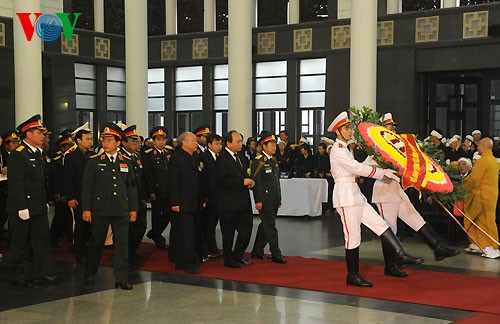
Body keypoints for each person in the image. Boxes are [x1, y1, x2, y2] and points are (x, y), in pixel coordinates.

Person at [328, 111, 423, 287]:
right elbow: (357, 168)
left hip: (355, 193)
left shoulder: (345, 149)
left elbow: (358, 168)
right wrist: (381, 172)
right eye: (346, 128)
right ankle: (353, 275)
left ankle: (400, 254)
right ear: (337, 131)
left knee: (381, 225)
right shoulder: (337, 150)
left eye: (350, 128)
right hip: (345, 195)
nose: (350, 131)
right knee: (352, 237)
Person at [370, 113, 460, 278]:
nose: (393, 129)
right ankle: (391, 265)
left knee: (416, 219)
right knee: (389, 228)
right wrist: (382, 171)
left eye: (393, 126)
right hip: (384, 191)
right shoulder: (376, 149)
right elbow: (365, 169)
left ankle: (438, 248)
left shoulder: (397, 147)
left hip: (397, 189)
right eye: (389, 126)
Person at [82, 123, 138, 290]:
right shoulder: (94, 161)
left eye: (109, 140)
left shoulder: (126, 161)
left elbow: (132, 186)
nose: (105, 143)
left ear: (118, 142)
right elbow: (87, 187)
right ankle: (90, 273)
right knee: (96, 241)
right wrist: (86, 209)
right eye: (104, 140)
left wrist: (133, 208)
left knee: (122, 244)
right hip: (101, 208)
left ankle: (121, 277)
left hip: (121, 208)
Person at [7, 115, 58, 287]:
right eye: (39, 133)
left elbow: (40, 182)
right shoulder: (18, 154)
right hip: (23, 207)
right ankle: (18, 274)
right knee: (20, 242)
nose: (43, 136)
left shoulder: (37, 154)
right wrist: (22, 206)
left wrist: (44, 201)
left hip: (38, 206)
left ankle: (42, 272)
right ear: (28, 134)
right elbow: (16, 184)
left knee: (41, 240)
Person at [216, 130, 255, 268]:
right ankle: (228, 258)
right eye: (237, 141)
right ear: (228, 143)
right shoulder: (221, 159)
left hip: (243, 201)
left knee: (246, 229)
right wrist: (241, 182)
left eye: (241, 141)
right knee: (228, 232)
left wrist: (249, 181)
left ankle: (239, 253)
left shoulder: (241, 157)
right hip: (228, 202)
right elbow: (222, 181)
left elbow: (244, 174)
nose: (240, 144)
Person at [169, 132, 204, 274]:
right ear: (184, 142)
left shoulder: (193, 157)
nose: (196, 143)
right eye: (194, 141)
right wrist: (174, 202)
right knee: (186, 233)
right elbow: (172, 182)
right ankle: (187, 262)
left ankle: (180, 257)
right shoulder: (177, 158)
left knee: (187, 232)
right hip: (182, 202)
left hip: (193, 202)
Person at [250, 131, 286, 263]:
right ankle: (276, 253)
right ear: (263, 146)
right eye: (271, 145)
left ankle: (257, 251)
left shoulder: (273, 161)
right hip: (264, 200)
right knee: (270, 226)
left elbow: (276, 182)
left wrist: (279, 198)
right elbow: (256, 183)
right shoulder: (259, 162)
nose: (274, 147)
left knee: (265, 225)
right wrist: (258, 200)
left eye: (275, 145)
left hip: (273, 199)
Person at [463, 137, 500, 259]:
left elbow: (474, 179)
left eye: (479, 145)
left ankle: (493, 247)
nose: (477, 147)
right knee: (479, 220)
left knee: (486, 221)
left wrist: (461, 185)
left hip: (483, 196)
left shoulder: (484, 161)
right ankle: (480, 244)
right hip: (490, 195)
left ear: (483, 147)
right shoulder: (494, 160)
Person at [64, 122, 93, 264]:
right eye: (87, 139)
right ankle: (78, 248)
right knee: (81, 224)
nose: (90, 142)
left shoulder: (92, 156)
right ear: (79, 140)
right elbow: (68, 179)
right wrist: (70, 197)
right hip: (78, 196)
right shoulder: (71, 156)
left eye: (91, 139)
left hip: (92, 197)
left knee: (90, 225)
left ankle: (84, 246)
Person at [120, 125, 148, 267]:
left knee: (141, 227)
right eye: (132, 141)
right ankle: (127, 255)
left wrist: (144, 197)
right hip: (127, 201)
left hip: (139, 199)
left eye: (137, 141)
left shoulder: (136, 156)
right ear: (123, 142)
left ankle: (132, 252)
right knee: (129, 230)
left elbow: (141, 179)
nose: (137, 144)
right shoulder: (120, 157)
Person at [143, 126, 171, 250]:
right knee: (156, 215)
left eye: (163, 139)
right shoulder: (148, 155)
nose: (161, 142)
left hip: (168, 191)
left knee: (167, 215)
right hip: (157, 191)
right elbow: (148, 175)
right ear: (153, 141)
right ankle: (158, 238)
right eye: (158, 139)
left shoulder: (169, 153)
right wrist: (151, 192)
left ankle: (154, 233)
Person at [49, 130, 74, 248]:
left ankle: (68, 235)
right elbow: (56, 178)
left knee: (65, 215)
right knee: (59, 216)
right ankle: (54, 238)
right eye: (69, 145)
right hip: (60, 193)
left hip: (67, 191)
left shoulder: (69, 158)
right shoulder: (57, 160)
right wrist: (59, 192)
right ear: (63, 147)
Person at [200, 133, 223, 259]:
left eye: (220, 144)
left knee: (212, 224)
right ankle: (209, 249)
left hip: (217, 197)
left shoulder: (219, 157)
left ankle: (212, 247)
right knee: (207, 225)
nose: (219, 146)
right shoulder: (204, 158)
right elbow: (203, 180)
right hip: (208, 197)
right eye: (216, 144)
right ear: (209, 145)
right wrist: (204, 198)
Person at [0, 130, 20, 242]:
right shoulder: (3, 154)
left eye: (17, 142)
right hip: (3, 189)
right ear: (6, 144)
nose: (16, 144)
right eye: (13, 142)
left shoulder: (19, 155)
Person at [316, 142, 334, 213]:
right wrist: (321, 172)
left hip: (331, 175)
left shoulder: (330, 157)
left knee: (331, 189)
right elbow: (319, 166)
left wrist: (329, 173)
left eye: (320, 149)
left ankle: (331, 206)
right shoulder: (319, 156)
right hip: (323, 174)